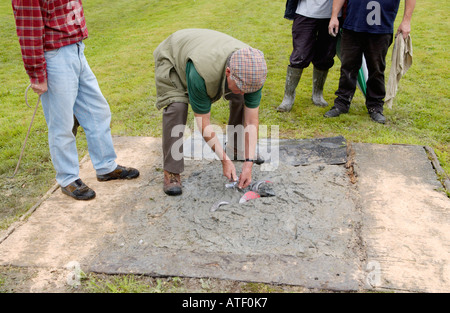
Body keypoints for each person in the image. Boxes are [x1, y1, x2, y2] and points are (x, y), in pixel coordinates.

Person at [12, 0, 139, 201]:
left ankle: (106, 166)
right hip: (55, 56)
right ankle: (68, 178)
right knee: (62, 123)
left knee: (97, 111)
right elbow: (29, 32)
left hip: (77, 48)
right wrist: (37, 75)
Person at [153, 29, 267, 196]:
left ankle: (237, 147)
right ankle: (171, 171)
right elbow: (203, 123)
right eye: (241, 87)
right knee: (177, 107)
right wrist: (224, 160)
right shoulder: (200, 74)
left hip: (203, 49)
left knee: (240, 99)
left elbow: (251, 121)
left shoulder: (254, 69)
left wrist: (248, 163)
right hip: (173, 55)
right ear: (229, 73)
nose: (245, 92)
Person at [325, 0, 416, 123]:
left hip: (381, 26)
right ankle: (342, 103)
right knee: (348, 67)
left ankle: (375, 106)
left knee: (376, 68)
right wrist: (334, 16)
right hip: (353, 23)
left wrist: (406, 21)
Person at [277, 0, 340, 112]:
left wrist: (335, 16)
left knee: (325, 56)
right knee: (299, 55)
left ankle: (317, 94)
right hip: (305, 13)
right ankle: (288, 97)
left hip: (332, 16)